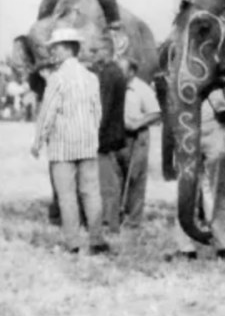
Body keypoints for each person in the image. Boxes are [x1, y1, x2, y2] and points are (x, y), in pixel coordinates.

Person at [30, 27, 109, 255]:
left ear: (66, 48)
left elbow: (48, 113)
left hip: (63, 145)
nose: (53, 52)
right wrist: (92, 134)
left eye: (55, 47)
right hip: (87, 143)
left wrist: (38, 141)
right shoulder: (91, 77)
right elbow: (97, 112)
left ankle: (73, 243)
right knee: (91, 193)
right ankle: (97, 240)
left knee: (67, 196)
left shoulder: (57, 78)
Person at [167, 86, 225, 261]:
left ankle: (188, 246)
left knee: (189, 191)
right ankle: (220, 245)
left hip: (194, 130)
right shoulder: (219, 66)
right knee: (214, 190)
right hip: (207, 130)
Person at [119, 58, 161, 229]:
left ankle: (134, 220)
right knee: (117, 177)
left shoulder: (142, 89)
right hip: (118, 137)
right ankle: (117, 215)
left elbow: (157, 113)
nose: (118, 73)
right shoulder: (115, 86)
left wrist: (138, 123)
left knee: (135, 177)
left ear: (131, 72)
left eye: (122, 70)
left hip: (137, 137)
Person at [93, 36, 129, 233]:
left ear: (106, 50)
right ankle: (111, 220)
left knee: (107, 183)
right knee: (112, 180)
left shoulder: (108, 74)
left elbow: (103, 108)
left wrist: (95, 134)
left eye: (96, 50)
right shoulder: (116, 72)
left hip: (105, 136)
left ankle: (110, 222)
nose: (94, 54)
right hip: (114, 134)